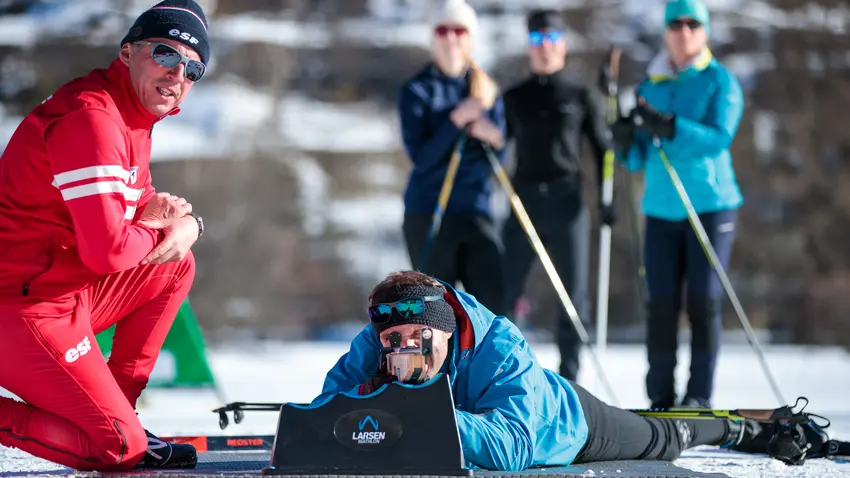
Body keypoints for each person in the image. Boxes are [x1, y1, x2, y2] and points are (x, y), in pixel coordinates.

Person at [312, 269, 830, 471]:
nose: (401, 355)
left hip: (569, 427)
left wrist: (413, 409)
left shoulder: (500, 345)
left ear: (444, 329)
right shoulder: (380, 339)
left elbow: (511, 448)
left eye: (415, 341)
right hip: (499, 418)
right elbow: (327, 407)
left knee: (658, 437)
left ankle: (739, 427)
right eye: (391, 343)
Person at [0, 0, 209, 471]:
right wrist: (161, 229)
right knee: (118, 450)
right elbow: (109, 249)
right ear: (128, 51)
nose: (179, 75)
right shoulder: (92, 119)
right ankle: (120, 429)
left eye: (193, 69)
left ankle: (120, 409)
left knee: (175, 264)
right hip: (21, 309)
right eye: (166, 54)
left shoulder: (131, 116)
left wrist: (185, 225)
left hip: (60, 293)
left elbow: (141, 209)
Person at [610, 0, 745, 409]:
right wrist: (623, 140)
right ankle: (660, 397)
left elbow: (719, 137)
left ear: (703, 31)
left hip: (710, 204)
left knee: (702, 300)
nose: (683, 31)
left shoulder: (719, 81)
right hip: (661, 208)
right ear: (666, 30)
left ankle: (699, 395)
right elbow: (637, 159)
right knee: (661, 304)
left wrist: (670, 126)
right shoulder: (651, 86)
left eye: (692, 24)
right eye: (676, 23)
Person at [501, 9, 611, 381]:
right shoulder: (514, 97)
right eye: (536, 40)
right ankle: (505, 374)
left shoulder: (580, 94)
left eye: (551, 39)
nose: (544, 47)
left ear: (562, 45)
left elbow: (603, 149)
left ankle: (571, 377)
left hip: (568, 201)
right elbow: (499, 143)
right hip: (524, 201)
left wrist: (606, 200)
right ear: (529, 46)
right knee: (507, 292)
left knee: (573, 296)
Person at [397, 0, 508, 317]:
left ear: (470, 37)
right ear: (433, 37)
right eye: (442, 30)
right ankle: (437, 367)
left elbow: (500, 156)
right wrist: (456, 120)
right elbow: (421, 157)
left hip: (475, 210)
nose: (450, 38)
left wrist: (492, 135)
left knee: (490, 307)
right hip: (430, 210)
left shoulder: (485, 90)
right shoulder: (417, 90)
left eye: (458, 30)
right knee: (436, 312)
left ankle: (484, 367)